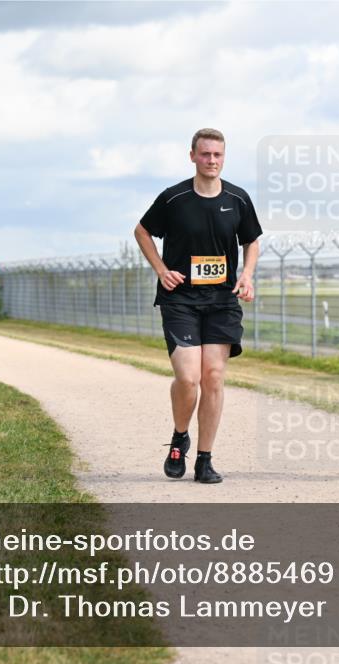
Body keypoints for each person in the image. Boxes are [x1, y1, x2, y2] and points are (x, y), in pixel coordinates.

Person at [135, 128, 262, 484]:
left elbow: (252, 240)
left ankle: (205, 459)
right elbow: (142, 231)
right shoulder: (174, 198)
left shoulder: (238, 198)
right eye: (205, 154)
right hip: (181, 300)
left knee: (214, 377)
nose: (211, 161)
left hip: (222, 301)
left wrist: (247, 275)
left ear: (224, 157)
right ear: (192, 156)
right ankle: (179, 437)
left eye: (217, 155)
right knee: (188, 378)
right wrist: (161, 270)